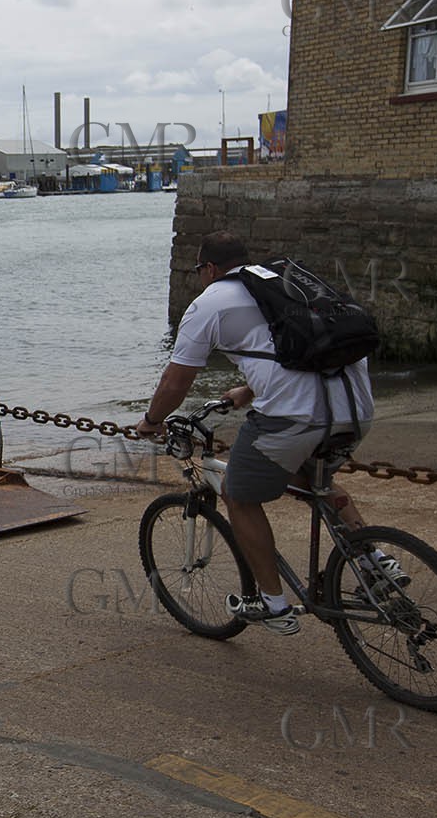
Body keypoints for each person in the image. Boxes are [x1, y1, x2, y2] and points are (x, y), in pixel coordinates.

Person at [135, 231, 388, 635]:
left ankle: (272, 602)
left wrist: (151, 420)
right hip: (356, 409)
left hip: (293, 417)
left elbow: (177, 380)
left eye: (198, 270)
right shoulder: (284, 280)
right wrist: (249, 390)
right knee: (311, 480)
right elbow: (298, 346)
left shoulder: (209, 303)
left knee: (238, 494)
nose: (200, 276)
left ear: (210, 268)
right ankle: (375, 560)